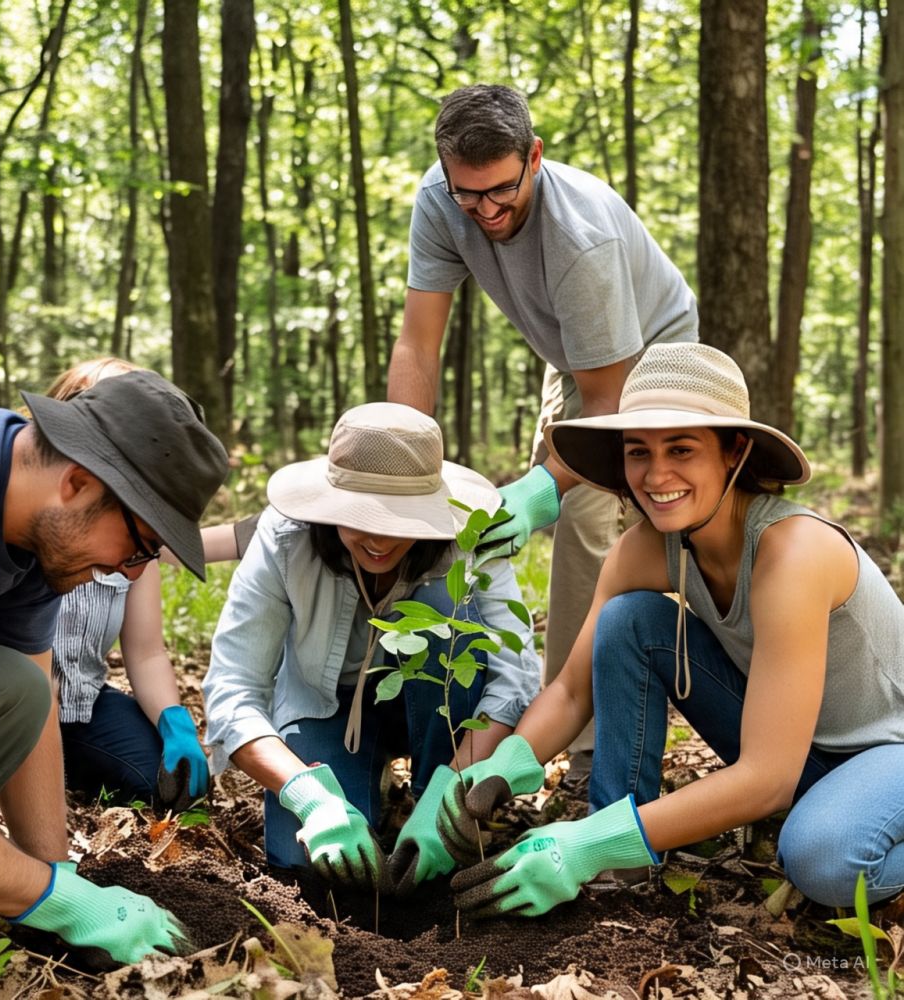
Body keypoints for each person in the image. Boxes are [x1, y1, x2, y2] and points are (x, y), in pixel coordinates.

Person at [431, 342, 904, 918]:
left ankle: (604, 843)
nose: (656, 475)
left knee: (823, 860)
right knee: (628, 619)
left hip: (888, 751)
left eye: (682, 448)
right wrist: (497, 769)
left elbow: (766, 778)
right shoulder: (646, 550)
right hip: (803, 749)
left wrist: (580, 844)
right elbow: (572, 690)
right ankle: (617, 860)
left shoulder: (793, 552)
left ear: (734, 452)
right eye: (638, 452)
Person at [388, 83, 699, 761]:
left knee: (582, 515)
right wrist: (403, 459)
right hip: (574, 353)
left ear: (533, 156)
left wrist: (537, 490)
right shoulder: (442, 201)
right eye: (467, 193)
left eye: (500, 190)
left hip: (654, 355)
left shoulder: (579, 240)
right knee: (553, 510)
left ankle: (581, 739)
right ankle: (540, 695)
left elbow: (608, 408)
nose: (485, 210)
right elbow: (418, 341)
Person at [0, 370, 230, 962]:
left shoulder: (25, 515)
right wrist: (57, 901)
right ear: (77, 482)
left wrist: (57, 878)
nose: (131, 574)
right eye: (138, 546)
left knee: (13, 687)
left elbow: (36, 701)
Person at [202, 402, 539, 893]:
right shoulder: (285, 538)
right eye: (359, 516)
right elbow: (233, 688)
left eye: (402, 519)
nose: (379, 539)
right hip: (326, 706)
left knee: (454, 612)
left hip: (437, 714)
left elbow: (515, 677)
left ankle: (431, 803)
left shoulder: (467, 540)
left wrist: (452, 792)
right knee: (313, 870)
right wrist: (307, 795)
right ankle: (363, 785)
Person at [46, 358, 241, 813]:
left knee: (170, 787)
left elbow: (146, 650)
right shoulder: (41, 518)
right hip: (16, 707)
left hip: (84, 704)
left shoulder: (137, 533)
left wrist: (175, 723)